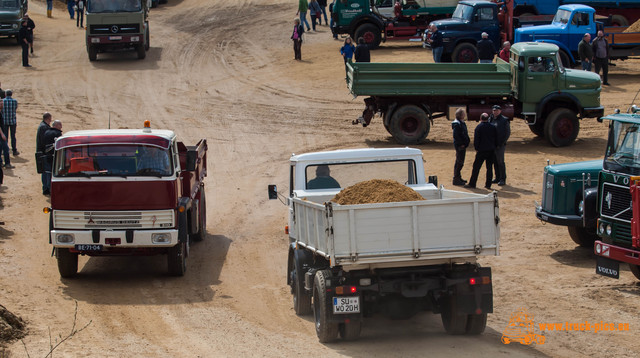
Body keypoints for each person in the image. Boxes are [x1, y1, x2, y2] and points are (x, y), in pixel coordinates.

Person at [465, 113, 498, 190]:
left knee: (476, 167)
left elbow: (476, 140)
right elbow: (496, 138)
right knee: (489, 167)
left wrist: (476, 148)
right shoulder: (493, 127)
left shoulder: (479, 127)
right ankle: (488, 184)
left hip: (482, 150)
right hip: (491, 150)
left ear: (480, 118)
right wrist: (494, 147)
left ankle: (472, 183)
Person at [489, 105, 510, 186]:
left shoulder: (504, 120)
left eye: (497, 110)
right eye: (494, 110)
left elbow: (507, 133)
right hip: (492, 145)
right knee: (495, 161)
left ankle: (502, 178)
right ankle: (497, 177)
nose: (495, 112)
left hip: (500, 145)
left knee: (500, 162)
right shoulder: (490, 118)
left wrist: (501, 143)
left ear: (500, 111)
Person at [452, 108, 470, 186]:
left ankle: (458, 177)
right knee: (459, 162)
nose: (465, 114)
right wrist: (461, 144)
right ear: (461, 115)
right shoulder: (457, 124)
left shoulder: (460, 123)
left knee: (460, 162)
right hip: (460, 146)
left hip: (462, 145)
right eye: (463, 113)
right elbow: (456, 136)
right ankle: (456, 179)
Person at [42, 120, 63, 191]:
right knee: (52, 173)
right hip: (54, 157)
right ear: (56, 125)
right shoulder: (58, 133)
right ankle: (51, 189)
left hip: (45, 155)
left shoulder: (46, 132)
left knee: (46, 172)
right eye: (60, 125)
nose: (61, 127)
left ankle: (45, 188)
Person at [37, 113, 53, 195]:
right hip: (43, 152)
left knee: (45, 171)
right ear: (48, 118)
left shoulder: (42, 126)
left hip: (41, 152)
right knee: (46, 171)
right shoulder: (44, 127)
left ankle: (46, 188)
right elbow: (45, 141)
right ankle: (46, 188)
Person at [1, 90, 19, 156]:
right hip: (13, 121)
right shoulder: (15, 101)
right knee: (13, 136)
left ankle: (5, 150)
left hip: (5, 121)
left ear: (5, 94)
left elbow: (1, 110)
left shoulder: (3, 101)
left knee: (5, 136)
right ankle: (14, 150)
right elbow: (15, 108)